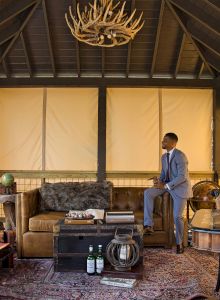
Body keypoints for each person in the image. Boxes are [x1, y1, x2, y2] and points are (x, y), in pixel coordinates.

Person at [144, 132, 192, 254]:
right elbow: (164, 174)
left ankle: (179, 242)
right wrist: (158, 180)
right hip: (167, 185)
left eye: (165, 140)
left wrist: (165, 185)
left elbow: (182, 177)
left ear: (173, 143)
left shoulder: (181, 156)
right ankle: (148, 225)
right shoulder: (163, 157)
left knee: (177, 216)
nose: (162, 142)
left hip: (180, 189)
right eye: (162, 140)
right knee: (148, 193)